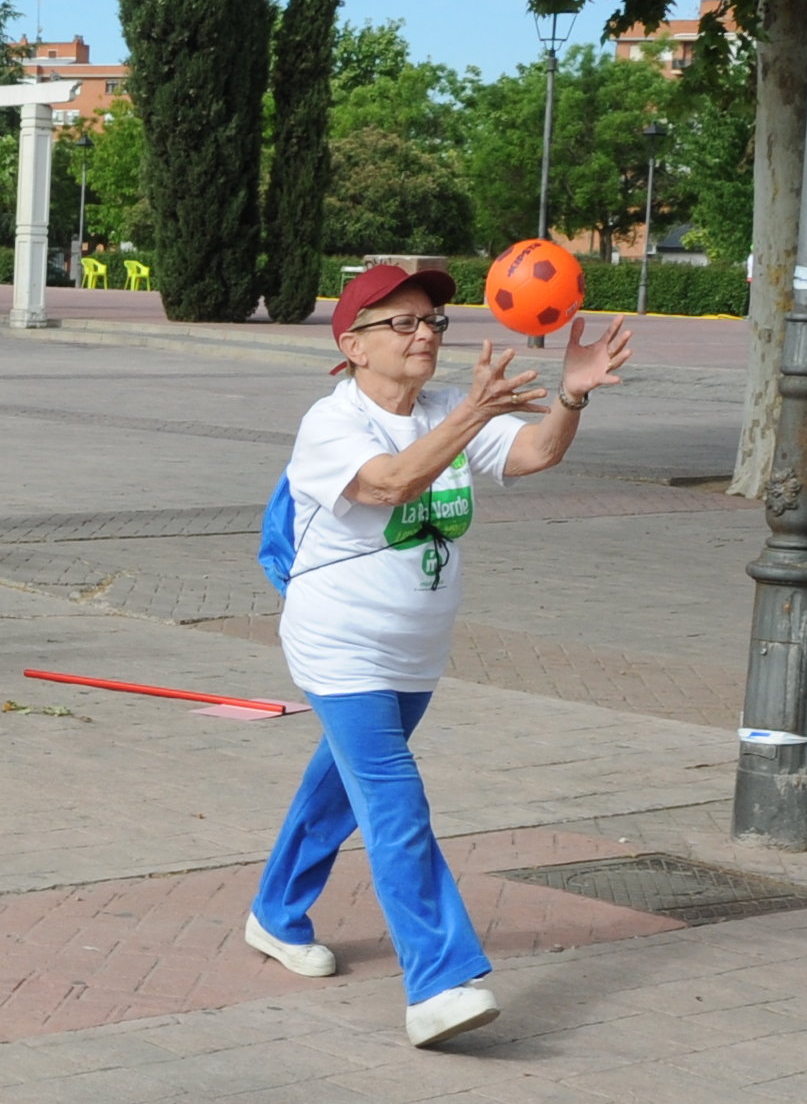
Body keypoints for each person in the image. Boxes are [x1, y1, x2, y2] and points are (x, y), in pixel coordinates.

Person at [246, 263, 632, 1048]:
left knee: (341, 788)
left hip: (414, 651)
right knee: (394, 800)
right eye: (404, 323)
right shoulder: (332, 422)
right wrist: (471, 415)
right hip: (339, 642)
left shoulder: (449, 406)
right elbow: (389, 484)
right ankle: (440, 980)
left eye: (433, 322)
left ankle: (274, 912)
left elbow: (532, 455)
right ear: (353, 344)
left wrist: (571, 396)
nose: (426, 334)